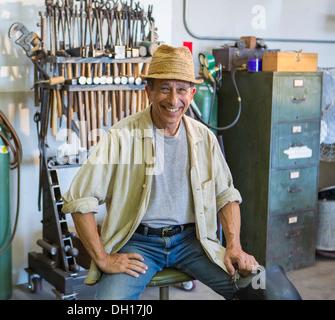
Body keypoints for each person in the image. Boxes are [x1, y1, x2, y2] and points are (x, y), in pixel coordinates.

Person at [61, 44, 258, 300]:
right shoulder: (121, 136)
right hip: (138, 242)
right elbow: (79, 200)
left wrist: (234, 246)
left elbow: (226, 195)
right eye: (164, 88)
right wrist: (103, 258)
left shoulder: (204, 138)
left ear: (192, 93)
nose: (173, 100)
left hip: (194, 241)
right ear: (148, 92)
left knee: (263, 288)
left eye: (181, 90)